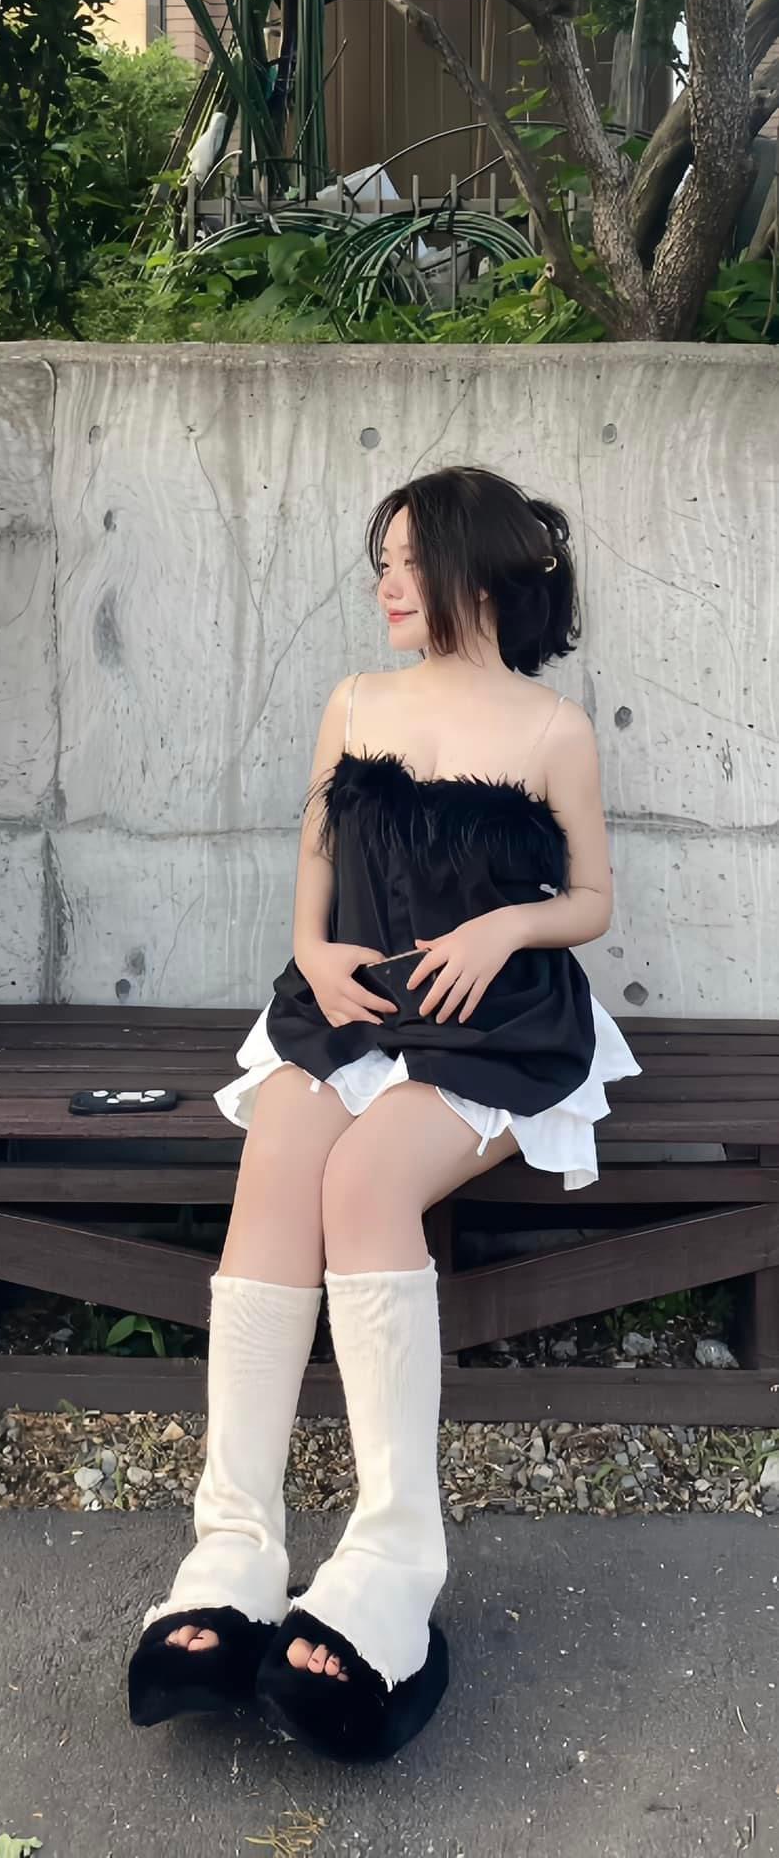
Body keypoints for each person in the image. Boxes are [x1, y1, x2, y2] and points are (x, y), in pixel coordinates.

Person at [128, 464, 641, 1763]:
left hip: (498, 1027)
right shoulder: (355, 702)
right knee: (277, 1165)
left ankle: (393, 1561)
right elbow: (313, 861)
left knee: (362, 1184)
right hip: (350, 1008)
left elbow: (591, 900)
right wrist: (309, 954)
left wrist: (506, 925)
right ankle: (232, 1552)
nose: (387, 585)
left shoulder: (552, 730)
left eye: (409, 562)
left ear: (477, 575)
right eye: (384, 563)